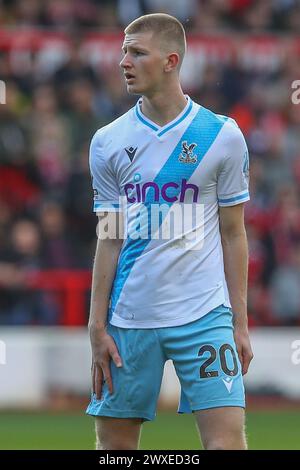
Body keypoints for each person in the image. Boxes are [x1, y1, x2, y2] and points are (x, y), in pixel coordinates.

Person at [86, 13, 253, 450]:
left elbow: (234, 234)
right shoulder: (107, 141)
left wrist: (240, 321)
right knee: (115, 451)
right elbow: (110, 237)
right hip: (128, 318)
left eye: (137, 52)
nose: (124, 61)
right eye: (124, 51)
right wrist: (96, 324)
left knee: (226, 444)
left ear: (170, 61)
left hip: (205, 315)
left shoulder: (222, 135)